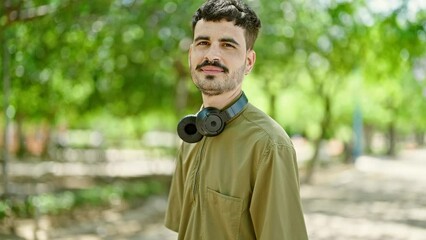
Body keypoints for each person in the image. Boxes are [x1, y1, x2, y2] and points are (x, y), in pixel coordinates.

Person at [165, 0, 309, 239]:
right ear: (191, 55)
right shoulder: (191, 135)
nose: (211, 54)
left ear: (249, 62)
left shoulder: (269, 145)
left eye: (227, 45)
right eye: (203, 43)